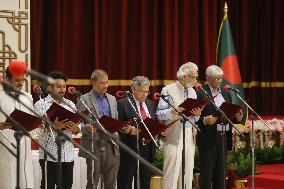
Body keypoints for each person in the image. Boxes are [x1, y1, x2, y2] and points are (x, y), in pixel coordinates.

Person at [156, 62, 203, 189]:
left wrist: (198, 114)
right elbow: (159, 114)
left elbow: (195, 117)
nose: (195, 80)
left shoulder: (193, 91)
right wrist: (172, 111)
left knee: (187, 174)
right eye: (192, 77)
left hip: (189, 136)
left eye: (195, 77)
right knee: (171, 174)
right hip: (173, 136)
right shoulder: (168, 89)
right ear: (183, 76)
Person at [196, 65, 243, 189]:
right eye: (217, 78)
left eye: (221, 78)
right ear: (208, 78)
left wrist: (237, 118)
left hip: (223, 137)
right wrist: (205, 120)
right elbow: (193, 118)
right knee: (207, 175)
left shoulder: (226, 94)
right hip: (208, 139)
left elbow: (228, 114)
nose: (220, 81)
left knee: (220, 176)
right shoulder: (200, 93)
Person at [34, 71, 80, 189]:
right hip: (49, 156)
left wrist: (76, 129)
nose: (62, 90)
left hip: (68, 154)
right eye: (59, 87)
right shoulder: (40, 105)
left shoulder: (71, 104)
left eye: (64, 86)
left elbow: (78, 127)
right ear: (50, 87)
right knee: (48, 186)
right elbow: (35, 130)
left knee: (66, 186)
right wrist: (53, 127)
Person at [76, 69, 120, 189]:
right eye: (102, 83)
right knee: (93, 182)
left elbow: (115, 119)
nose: (105, 86)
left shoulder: (112, 99)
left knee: (111, 182)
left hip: (111, 144)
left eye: (107, 82)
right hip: (93, 143)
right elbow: (78, 123)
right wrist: (87, 128)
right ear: (93, 82)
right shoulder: (84, 99)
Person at [117, 76, 157, 189]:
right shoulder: (122, 104)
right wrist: (128, 130)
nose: (144, 94)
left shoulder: (150, 104)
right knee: (126, 181)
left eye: (147, 91)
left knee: (145, 182)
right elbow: (117, 126)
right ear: (133, 89)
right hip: (130, 148)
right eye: (141, 91)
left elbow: (153, 123)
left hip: (148, 148)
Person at [0, 65, 34, 189]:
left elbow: (32, 118)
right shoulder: (0, 98)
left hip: (25, 146)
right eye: (17, 80)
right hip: (7, 147)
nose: (20, 83)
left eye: (22, 80)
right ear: (8, 80)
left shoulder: (28, 97)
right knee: (9, 180)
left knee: (25, 179)